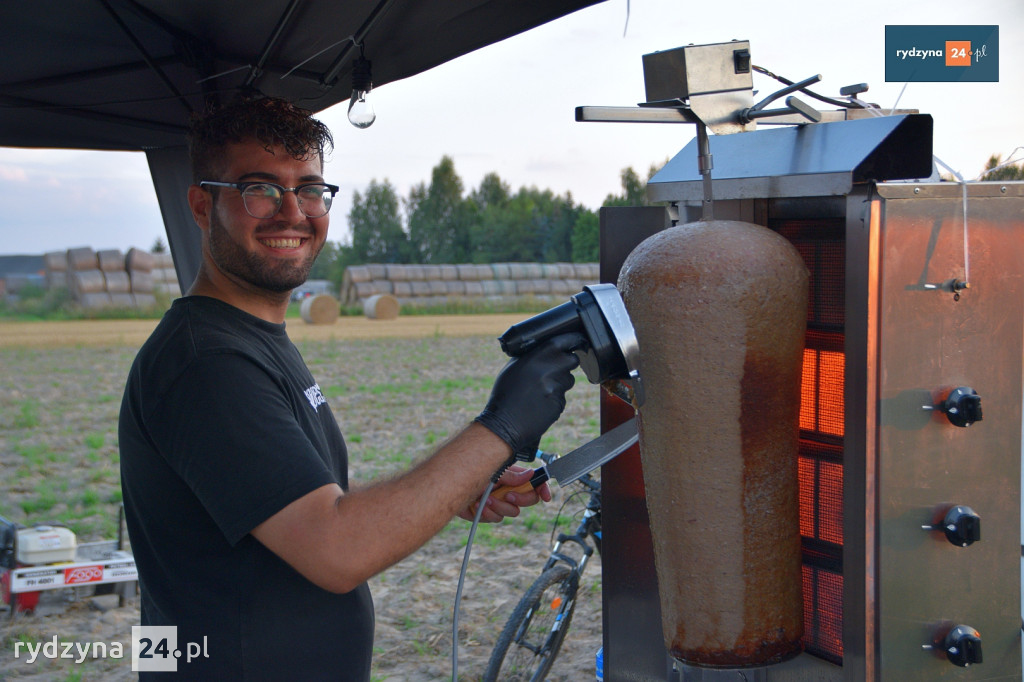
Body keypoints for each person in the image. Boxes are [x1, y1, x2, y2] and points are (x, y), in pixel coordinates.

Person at [118, 96, 583, 680]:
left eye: (310, 189)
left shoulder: (246, 337)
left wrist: (455, 489)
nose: (292, 212)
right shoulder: (205, 362)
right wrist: (502, 428)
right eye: (259, 188)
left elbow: (282, 497)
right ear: (201, 205)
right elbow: (337, 550)